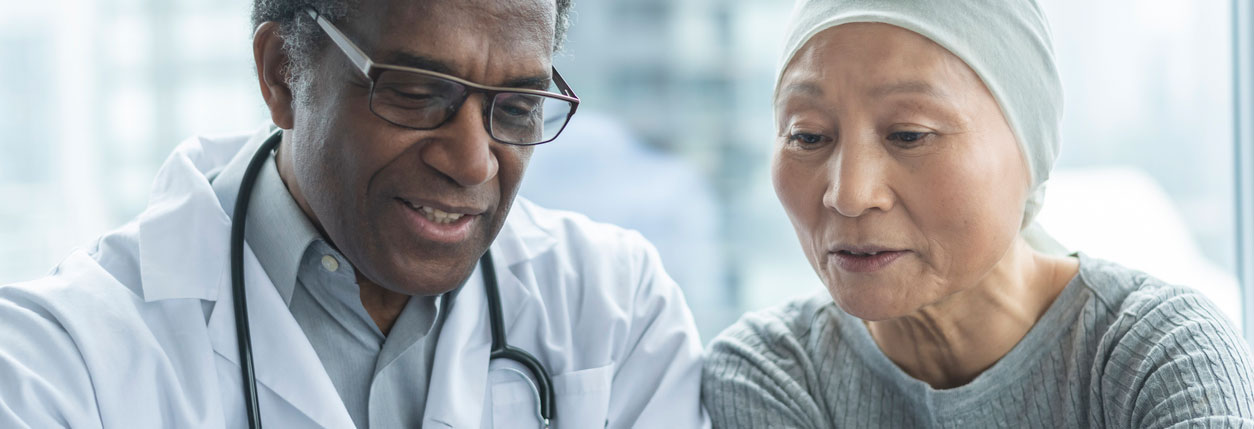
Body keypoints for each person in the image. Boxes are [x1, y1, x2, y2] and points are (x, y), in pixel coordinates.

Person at [0, 0, 709, 427]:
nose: (473, 162)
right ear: (284, 73)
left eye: (516, 108)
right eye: (415, 91)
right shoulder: (56, 360)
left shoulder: (616, 312)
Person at [701, 0, 1254, 428]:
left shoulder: (1158, 356)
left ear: (1029, 149)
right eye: (808, 135)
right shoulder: (774, 373)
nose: (849, 194)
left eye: (909, 134)